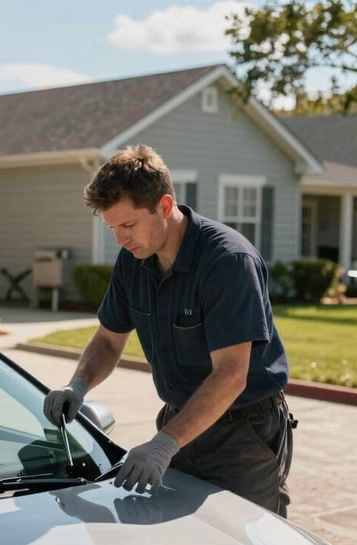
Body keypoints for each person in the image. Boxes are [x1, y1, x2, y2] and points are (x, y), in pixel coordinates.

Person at [44, 144, 295, 517]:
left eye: (128, 225)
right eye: (113, 228)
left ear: (164, 206)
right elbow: (109, 340)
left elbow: (231, 374)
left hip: (244, 433)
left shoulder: (227, 262)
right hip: (179, 422)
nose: (121, 240)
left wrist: (164, 444)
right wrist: (78, 384)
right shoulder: (134, 260)